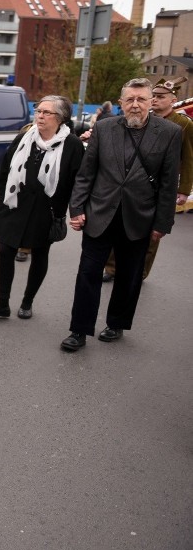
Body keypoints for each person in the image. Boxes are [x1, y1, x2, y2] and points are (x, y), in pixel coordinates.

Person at [61, 78, 181, 352]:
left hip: (140, 217)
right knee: (88, 273)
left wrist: (162, 222)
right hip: (100, 214)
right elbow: (86, 174)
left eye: (141, 99)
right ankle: (79, 330)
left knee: (129, 276)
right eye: (130, 100)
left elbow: (168, 181)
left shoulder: (170, 132)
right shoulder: (104, 128)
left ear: (151, 102)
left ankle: (116, 323)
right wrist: (77, 209)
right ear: (121, 103)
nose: (135, 105)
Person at [0, 96, 84, 320]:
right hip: (14, 206)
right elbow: (5, 171)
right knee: (5, 251)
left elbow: (78, 182)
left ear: (60, 118)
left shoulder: (72, 145)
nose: (40, 116)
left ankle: (27, 302)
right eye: (38, 111)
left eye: (47, 113)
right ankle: (2, 303)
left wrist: (72, 210)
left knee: (40, 253)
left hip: (46, 211)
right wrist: (2, 200)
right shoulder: (24, 138)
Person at [103, 77, 192, 282]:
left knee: (152, 233)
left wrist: (184, 189)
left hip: (161, 185)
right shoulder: (142, 119)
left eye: (161, 97)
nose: (156, 101)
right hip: (133, 183)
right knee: (120, 225)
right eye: (156, 97)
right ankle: (111, 268)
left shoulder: (183, 125)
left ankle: (140, 272)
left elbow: (188, 158)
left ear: (173, 99)